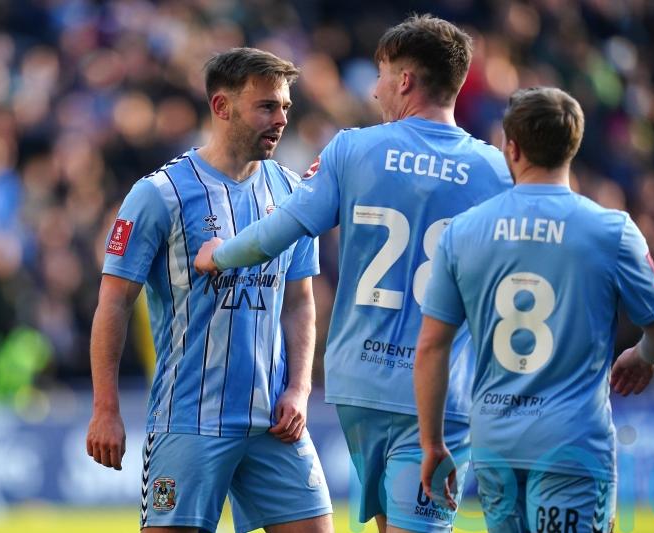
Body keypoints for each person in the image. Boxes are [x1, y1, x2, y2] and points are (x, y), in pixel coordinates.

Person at [195, 15, 513, 533]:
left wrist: (219, 254)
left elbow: (283, 229)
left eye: (383, 74)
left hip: (360, 385)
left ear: (406, 81)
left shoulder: (353, 149)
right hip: (439, 394)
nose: (374, 87)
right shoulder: (495, 172)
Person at [85, 47, 333, 533]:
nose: (281, 119)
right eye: (267, 106)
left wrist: (300, 390)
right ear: (222, 108)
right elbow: (113, 303)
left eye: (285, 106)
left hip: (273, 421)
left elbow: (299, 302)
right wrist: (105, 410)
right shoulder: (160, 194)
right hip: (189, 420)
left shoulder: (290, 192)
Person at [415, 87, 654, 533]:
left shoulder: (463, 232)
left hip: (496, 444)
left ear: (511, 147)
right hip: (573, 443)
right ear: (571, 148)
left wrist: (432, 443)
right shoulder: (611, 230)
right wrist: (642, 356)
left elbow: (431, 347)